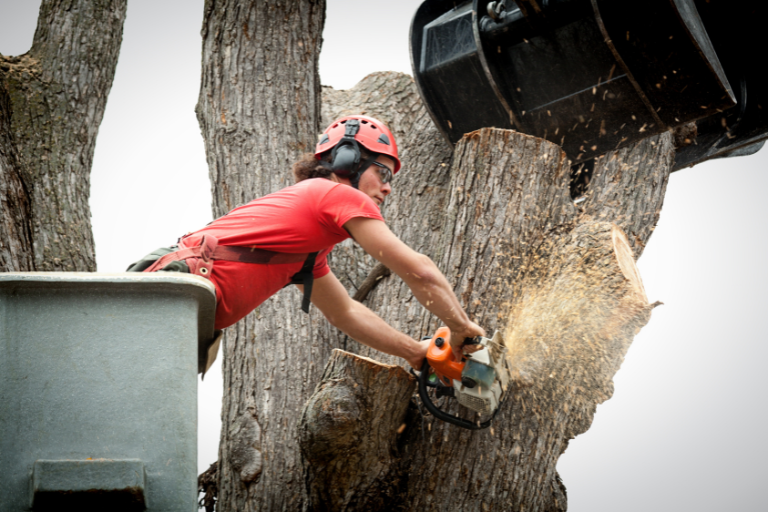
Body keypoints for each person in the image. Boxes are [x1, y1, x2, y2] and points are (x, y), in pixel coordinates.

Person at [128, 115, 484, 374]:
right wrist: (462, 327)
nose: (388, 187)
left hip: (180, 312)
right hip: (169, 296)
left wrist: (414, 351)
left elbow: (345, 312)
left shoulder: (307, 253)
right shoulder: (335, 193)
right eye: (383, 173)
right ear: (349, 161)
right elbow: (418, 269)